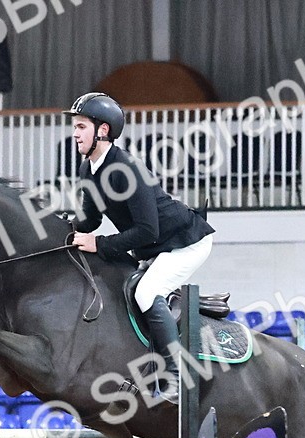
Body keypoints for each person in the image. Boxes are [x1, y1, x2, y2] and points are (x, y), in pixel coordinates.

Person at [65, 92, 215, 403]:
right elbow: (91, 219)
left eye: (81, 127)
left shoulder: (128, 168)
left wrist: (100, 243)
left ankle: (175, 376)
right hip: (156, 247)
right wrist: (62, 230)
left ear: (102, 130)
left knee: (146, 293)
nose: (75, 133)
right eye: (75, 127)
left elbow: (148, 230)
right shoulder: (88, 169)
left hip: (185, 241)